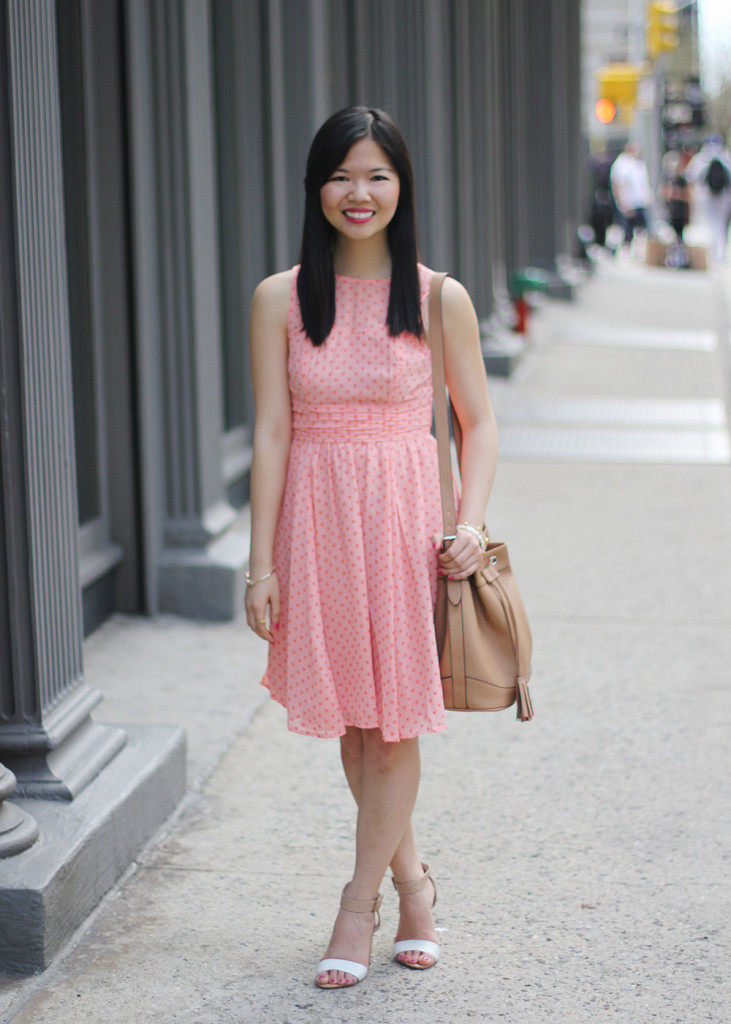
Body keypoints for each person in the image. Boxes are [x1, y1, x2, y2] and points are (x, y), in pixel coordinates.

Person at [245, 107, 498, 990]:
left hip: (400, 529)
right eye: (342, 175)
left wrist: (469, 523)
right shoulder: (280, 297)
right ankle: (416, 888)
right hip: (314, 526)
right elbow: (272, 434)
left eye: (377, 175)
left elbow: (478, 422)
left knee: (390, 730)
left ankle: (359, 906)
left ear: (402, 187)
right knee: (355, 729)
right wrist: (260, 564)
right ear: (316, 187)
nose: (359, 193)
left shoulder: (437, 296)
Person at [685, 135, 731, 263]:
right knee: (720, 226)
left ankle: (708, 254)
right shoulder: (726, 157)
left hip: (704, 198)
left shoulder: (700, 158)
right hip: (723, 198)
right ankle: (720, 254)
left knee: (705, 225)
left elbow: (690, 178)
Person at [610, 141, 652, 247]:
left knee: (641, 229)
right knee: (626, 229)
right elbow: (617, 183)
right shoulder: (622, 163)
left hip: (639, 202)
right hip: (629, 202)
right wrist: (621, 201)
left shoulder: (638, 163)